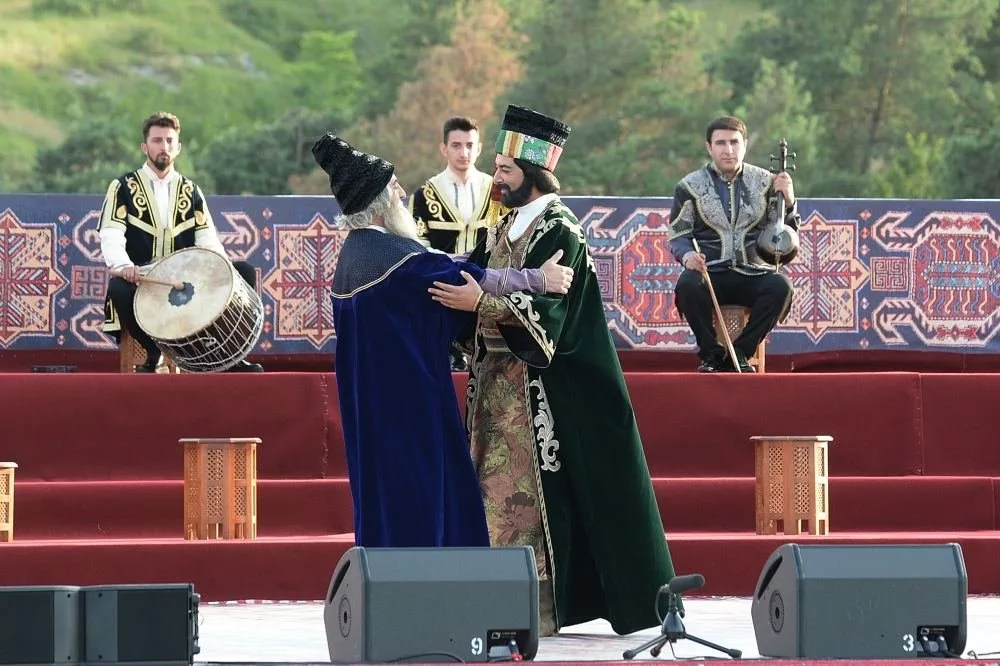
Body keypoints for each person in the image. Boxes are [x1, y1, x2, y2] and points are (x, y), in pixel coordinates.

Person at [428, 105, 679, 637]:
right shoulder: (503, 228)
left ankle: (535, 607)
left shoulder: (559, 230)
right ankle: (498, 598)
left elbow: (548, 323)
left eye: (506, 169)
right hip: (498, 388)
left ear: (535, 174)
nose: (496, 176)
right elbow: (468, 275)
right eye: (496, 166)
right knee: (491, 495)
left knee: (522, 500)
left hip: (545, 392)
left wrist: (482, 302)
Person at [312, 132, 574, 549]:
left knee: (381, 499)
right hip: (411, 407)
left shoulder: (355, 255)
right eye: (394, 190)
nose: (401, 195)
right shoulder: (398, 261)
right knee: (421, 501)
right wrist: (540, 278)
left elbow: (440, 265)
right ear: (380, 206)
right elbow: (465, 280)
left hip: (369, 408)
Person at [98, 111, 263, 373]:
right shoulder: (123, 187)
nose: (164, 147)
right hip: (146, 282)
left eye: (169, 141)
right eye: (157, 140)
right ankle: (153, 354)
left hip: (187, 283)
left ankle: (230, 357)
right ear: (145, 147)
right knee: (118, 287)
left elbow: (208, 240)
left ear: (178, 147)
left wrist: (220, 269)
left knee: (242, 272)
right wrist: (124, 265)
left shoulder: (191, 190)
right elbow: (111, 234)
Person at [668, 115, 798, 373]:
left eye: (734, 142)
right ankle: (711, 354)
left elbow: (785, 240)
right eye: (721, 143)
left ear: (744, 145)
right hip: (711, 273)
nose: (728, 150)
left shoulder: (767, 183)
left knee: (781, 286)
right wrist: (687, 258)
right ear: (709, 147)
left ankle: (740, 352)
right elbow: (678, 236)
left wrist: (790, 202)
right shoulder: (689, 186)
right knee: (687, 285)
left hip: (754, 273)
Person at [410, 116, 500, 371]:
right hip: (440, 291)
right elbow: (416, 246)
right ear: (444, 149)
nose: (464, 152)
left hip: (487, 285)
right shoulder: (424, 195)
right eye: (457, 145)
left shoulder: (496, 192)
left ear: (479, 148)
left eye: (470, 145)